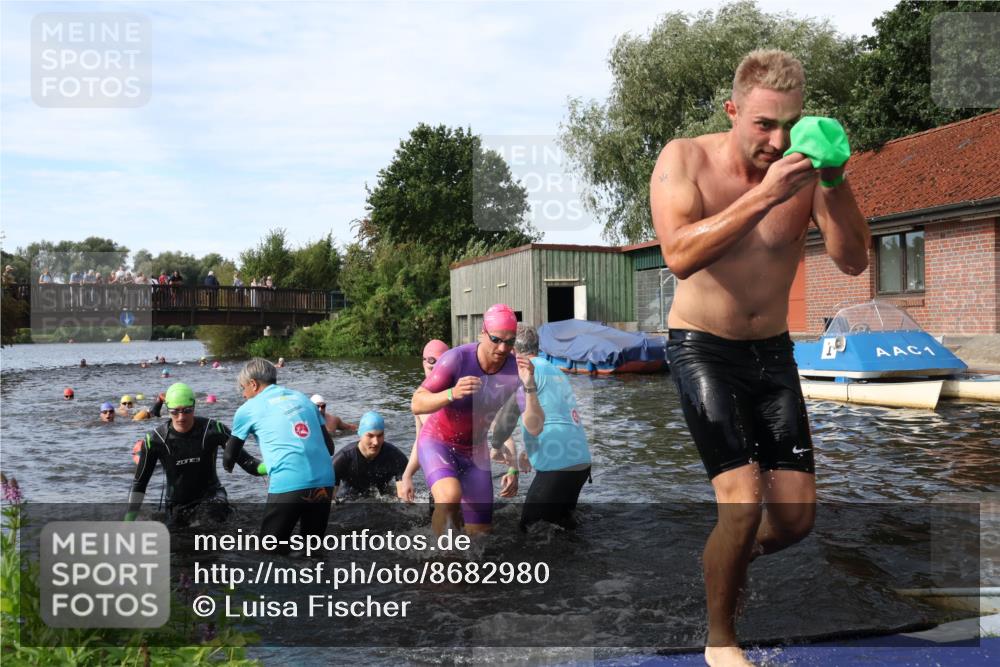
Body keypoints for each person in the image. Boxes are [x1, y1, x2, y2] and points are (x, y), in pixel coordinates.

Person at [649, 50, 870, 667]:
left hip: (773, 352)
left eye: (789, 125)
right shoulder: (684, 158)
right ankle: (721, 640)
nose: (777, 141)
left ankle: (724, 554)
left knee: (796, 521)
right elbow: (679, 254)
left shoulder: (805, 173)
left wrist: (833, 179)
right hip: (702, 348)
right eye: (763, 125)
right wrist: (767, 195)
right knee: (742, 502)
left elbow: (854, 260)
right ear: (733, 110)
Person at [410, 304, 544, 535]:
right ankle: (440, 559)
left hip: (475, 452)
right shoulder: (457, 359)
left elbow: (535, 427)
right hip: (438, 442)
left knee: (481, 534)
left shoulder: (516, 370)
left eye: (510, 342)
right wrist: (452, 393)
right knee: (450, 497)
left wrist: (530, 384)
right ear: (482, 333)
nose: (503, 348)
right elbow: (417, 402)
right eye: (496, 339)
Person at [223, 358, 336, 552]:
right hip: (325, 480)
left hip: (289, 482)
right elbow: (330, 447)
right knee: (313, 551)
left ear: (253, 384)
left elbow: (228, 458)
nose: (243, 394)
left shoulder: (247, 409)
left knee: (270, 552)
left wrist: (242, 464)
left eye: (243, 388)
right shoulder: (303, 398)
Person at [491, 324, 592, 530]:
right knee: (562, 529)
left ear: (513, 351)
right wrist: (522, 460)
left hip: (558, 465)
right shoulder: (556, 371)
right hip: (580, 463)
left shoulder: (526, 373)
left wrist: (496, 445)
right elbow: (555, 418)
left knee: (529, 531)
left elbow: (506, 419)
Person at [125, 383, 265, 525]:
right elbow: (140, 482)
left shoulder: (213, 429)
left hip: (212, 497)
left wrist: (273, 466)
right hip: (176, 504)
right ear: (167, 409)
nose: (181, 417)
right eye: (174, 411)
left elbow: (247, 462)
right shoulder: (155, 439)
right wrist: (128, 521)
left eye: (187, 410)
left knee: (209, 523)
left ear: (194, 406)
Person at [397, 338, 449, 502]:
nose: (435, 371)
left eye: (440, 366)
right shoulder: (419, 399)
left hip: (462, 469)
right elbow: (420, 440)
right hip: (437, 472)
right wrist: (408, 475)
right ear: (423, 364)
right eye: (430, 365)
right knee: (437, 521)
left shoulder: (457, 392)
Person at [333, 411, 408, 499]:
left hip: (383, 499)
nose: (376, 442)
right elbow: (329, 501)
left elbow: (404, 499)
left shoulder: (395, 457)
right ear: (360, 435)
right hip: (349, 500)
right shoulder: (342, 459)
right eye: (370, 436)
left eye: (380, 435)